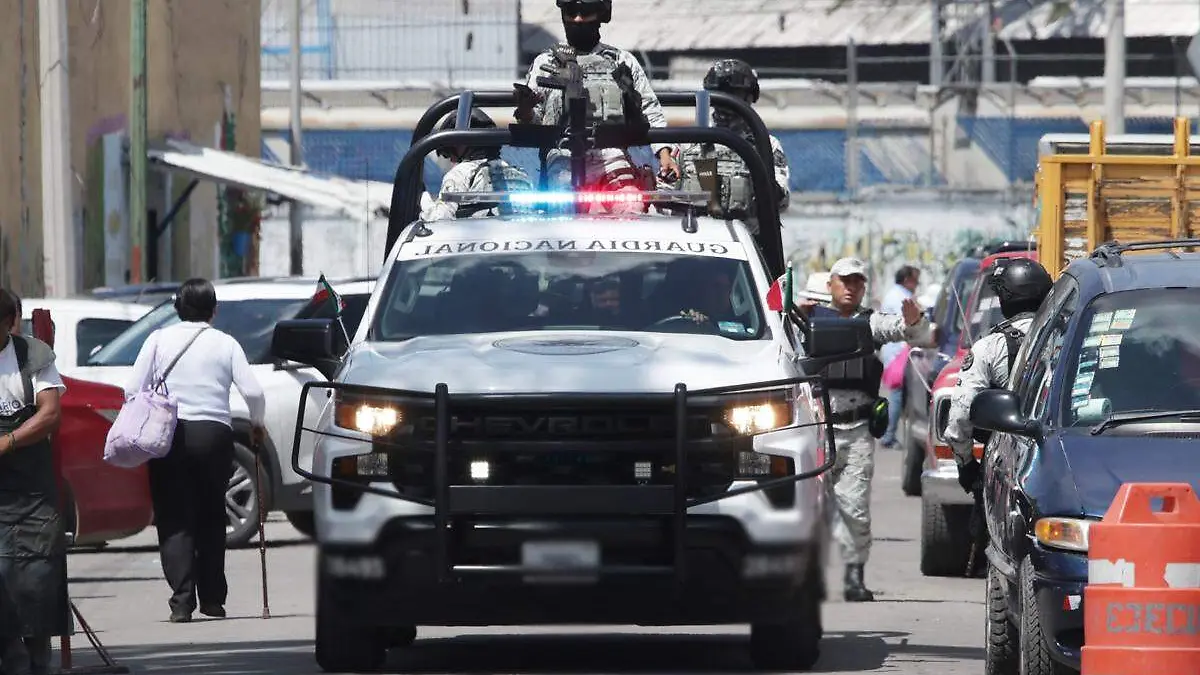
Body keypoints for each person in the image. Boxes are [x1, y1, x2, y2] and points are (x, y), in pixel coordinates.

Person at [124, 279, 267, 623]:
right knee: (211, 516)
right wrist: (257, 424)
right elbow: (254, 393)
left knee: (174, 518)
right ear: (214, 311)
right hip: (215, 435)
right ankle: (214, 599)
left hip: (169, 435)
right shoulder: (226, 343)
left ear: (177, 308)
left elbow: (132, 389)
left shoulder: (158, 340)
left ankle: (181, 603)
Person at [799, 257, 933, 601]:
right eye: (844, 281)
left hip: (857, 430)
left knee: (854, 508)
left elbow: (917, 336)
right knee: (808, 508)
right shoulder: (806, 321)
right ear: (830, 285)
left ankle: (854, 576)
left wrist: (914, 321)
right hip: (816, 430)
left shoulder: (871, 324)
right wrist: (790, 311)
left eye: (857, 281)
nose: (850, 287)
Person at [516, 0, 679, 199]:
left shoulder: (622, 61)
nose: (577, 19)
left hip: (612, 155)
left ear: (601, 14)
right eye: (571, 11)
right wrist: (525, 111)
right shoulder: (545, 63)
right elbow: (534, 125)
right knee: (562, 208)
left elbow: (650, 111)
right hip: (561, 156)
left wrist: (664, 154)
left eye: (585, 12)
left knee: (628, 204)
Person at [0, 289, 67, 675]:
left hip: (33, 495)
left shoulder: (33, 356)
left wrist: (8, 441)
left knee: (39, 578)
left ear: (9, 323)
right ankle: (12, 655)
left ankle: (38, 659)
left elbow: (50, 414)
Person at [944, 257, 1053, 493]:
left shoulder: (989, 348)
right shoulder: (1069, 337)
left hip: (1008, 466)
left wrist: (965, 465)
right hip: (1064, 455)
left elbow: (960, 417)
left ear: (1004, 299)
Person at [676, 58, 791, 234]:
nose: (724, 103)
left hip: (746, 240)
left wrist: (755, 181)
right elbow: (667, 195)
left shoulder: (765, 145)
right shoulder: (690, 143)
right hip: (696, 239)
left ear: (750, 97)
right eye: (719, 94)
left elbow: (781, 200)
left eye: (733, 95)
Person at [422, 108, 534, 221]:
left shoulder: (459, 174)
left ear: (461, 144)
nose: (452, 160)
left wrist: (423, 199)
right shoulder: (519, 173)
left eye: (448, 152)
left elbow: (440, 219)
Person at [878, 265, 921, 448]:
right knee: (896, 395)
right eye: (915, 279)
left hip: (895, 351)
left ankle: (889, 434)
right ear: (907, 280)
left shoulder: (896, 294)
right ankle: (888, 435)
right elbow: (908, 324)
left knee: (898, 395)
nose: (917, 284)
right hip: (898, 352)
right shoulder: (902, 298)